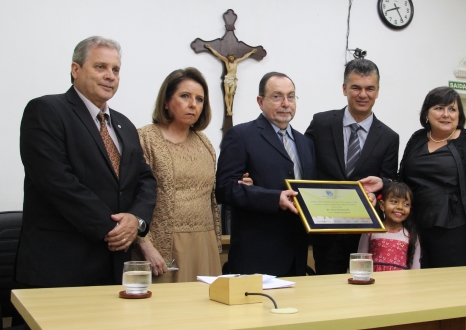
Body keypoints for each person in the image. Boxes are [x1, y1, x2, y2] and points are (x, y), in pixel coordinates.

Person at [17, 36, 156, 288]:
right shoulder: (46, 111)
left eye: (115, 70)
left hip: (115, 265)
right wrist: (114, 228)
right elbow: (57, 181)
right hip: (62, 265)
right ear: (75, 70)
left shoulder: (124, 125)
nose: (110, 76)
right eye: (100, 67)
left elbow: (144, 179)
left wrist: (136, 221)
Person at [361, 86, 466, 268]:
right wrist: (384, 182)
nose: (446, 114)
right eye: (439, 108)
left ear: (459, 115)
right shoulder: (417, 139)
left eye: (452, 109)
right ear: (427, 113)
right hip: (416, 228)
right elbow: (404, 182)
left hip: (456, 233)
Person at [215, 72, 316, 277]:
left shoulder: (306, 143)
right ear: (260, 101)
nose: (285, 103)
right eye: (277, 96)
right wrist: (273, 198)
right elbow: (225, 188)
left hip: (296, 253)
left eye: (291, 96)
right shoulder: (241, 135)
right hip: (256, 256)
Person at [305, 58, 399, 275]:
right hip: (325, 231)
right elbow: (300, 162)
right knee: (329, 293)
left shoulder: (389, 137)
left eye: (369, 88)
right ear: (345, 88)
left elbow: (389, 182)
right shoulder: (321, 123)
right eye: (356, 87)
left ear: (377, 91)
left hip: (366, 235)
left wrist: (380, 193)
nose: (363, 94)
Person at [132, 68, 225, 282]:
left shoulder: (204, 142)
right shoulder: (145, 138)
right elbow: (131, 196)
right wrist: (145, 244)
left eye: (200, 99)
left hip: (204, 243)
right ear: (166, 101)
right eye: (185, 96)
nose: (193, 104)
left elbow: (209, 195)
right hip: (163, 245)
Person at [358, 182, 421, 271]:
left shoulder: (411, 236)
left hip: (400, 284)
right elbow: (361, 260)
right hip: (375, 283)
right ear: (382, 205)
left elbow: (415, 268)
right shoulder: (371, 231)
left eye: (406, 204)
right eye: (394, 202)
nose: (400, 207)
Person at [205, 44, 257, 116]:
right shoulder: (226, 61)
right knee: (227, 93)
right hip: (228, 78)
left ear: (234, 57)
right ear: (228, 58)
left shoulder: (236, 62)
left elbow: (244, 57)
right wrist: (210, 47)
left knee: (231, 93)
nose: (231, 58)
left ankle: (229, 109)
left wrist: (251, 52)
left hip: (234, 79)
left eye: (232, 57)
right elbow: (217, 54)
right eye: (230, 57)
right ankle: (228, 109)